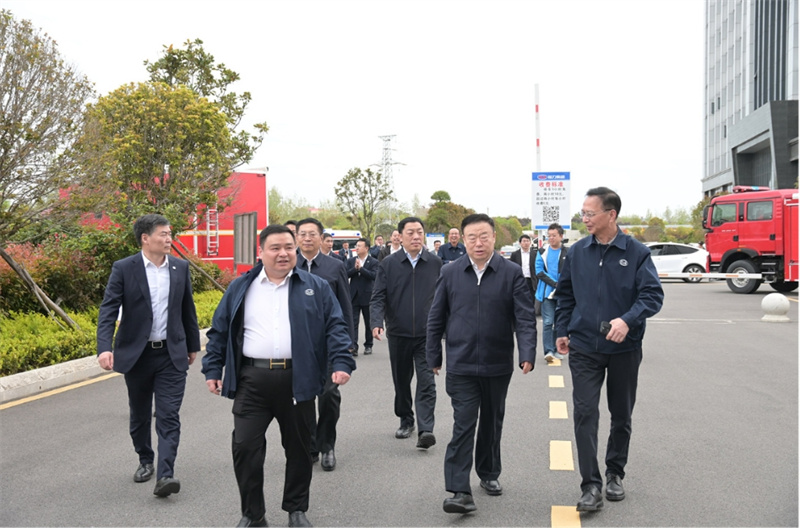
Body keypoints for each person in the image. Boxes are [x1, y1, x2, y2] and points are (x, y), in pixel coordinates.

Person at [202, 224, 356, 528]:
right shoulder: (242, 286)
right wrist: (213, 368)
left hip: (298, 381)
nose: (283, 253)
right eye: (275, 248)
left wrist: (341, 362)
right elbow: (219, 330)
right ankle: (253, 513)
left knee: (299, 449)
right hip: (252, 380)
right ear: (261, 252)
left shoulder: (315, 287)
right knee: (245, 447)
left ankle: (296, 509)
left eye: (288, 247)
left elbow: (335, 327)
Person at [554, 187, 664, 513]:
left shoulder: (637, 253)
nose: (584, 219)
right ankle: (590, 485)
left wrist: (628, 321)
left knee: (621, 414)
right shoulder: (577, 253)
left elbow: (652, 296)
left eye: (590, 213)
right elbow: (565, 295)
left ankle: (615, 472)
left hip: (624, 348)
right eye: (583, 213)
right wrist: (562, 330)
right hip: (584, 346)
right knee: (585, 413)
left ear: (611, 215)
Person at [427, 214, 537, 514]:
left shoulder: (511, 273)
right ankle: (459, 490)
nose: (478, 242)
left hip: (497, 364)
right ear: (463, 240)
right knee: (463, 424)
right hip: (461, 364)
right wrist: (434, 355)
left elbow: (524, 317)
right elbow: (436, 317)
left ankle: (488, 472)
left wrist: (527, 352)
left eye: (484, 236)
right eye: (472, 237)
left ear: (494, 238)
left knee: (491, 420)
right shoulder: (450, 272)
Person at [96, 214, 200, 498]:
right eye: (163, 234)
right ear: (145, 238)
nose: (169, 239)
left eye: (170, 234)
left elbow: (187, 309)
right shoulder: (124, 268)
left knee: (168, 415)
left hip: (171, 354)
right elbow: (108, 310)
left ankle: (166, 474)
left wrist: (192, 345)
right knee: (140, 415)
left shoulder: (180, 267)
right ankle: (145, 459)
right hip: (137, 355)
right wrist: (104, 347)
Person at [370, 217, 441, 448]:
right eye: (410, 232)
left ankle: (426, 429)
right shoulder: (388, 264)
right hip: (399, 333)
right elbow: (378, 296)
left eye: (419, 232)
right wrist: (376, 321)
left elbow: (445, 297)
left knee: (427, 381)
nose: (416, 236)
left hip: (426, 334)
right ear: (400, 236)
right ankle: (406, 419)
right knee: (401, 381)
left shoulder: (435, 263)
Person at [295, 218, 355, 473]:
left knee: (329, 395)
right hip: (298, 345)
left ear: (321, 238)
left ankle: (327, 444)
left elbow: (345, 305)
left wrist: (348, 342)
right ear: (296, 238)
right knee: (303, 398)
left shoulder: (334, 266)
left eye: (312, 234)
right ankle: (309, 446)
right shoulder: (288, 265)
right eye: (303, 234)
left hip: (329, 343)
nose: (307, 238)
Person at [535, 224, 568, 363]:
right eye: (549, 235)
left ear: (561, 236)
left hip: (563, 293)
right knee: (548, 322)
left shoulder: (568, 252)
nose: (551, 238)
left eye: (554, 235)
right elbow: (539, 271)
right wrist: (555, 284)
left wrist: (562, 285)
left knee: (558, 322)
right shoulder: (542, 251)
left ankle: (556, 349)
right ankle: (548, 351)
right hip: (547, 292)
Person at [346, 238, 378, 356]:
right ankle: (353, 346)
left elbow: (374, 275)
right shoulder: (351, 261)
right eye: (356, 246)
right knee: (353, 322)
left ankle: (368, 345)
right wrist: (355, 269)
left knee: (368, 322)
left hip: (367, 295)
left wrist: (361, 269)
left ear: (366, 248)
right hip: (354, 295)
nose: (357, 248)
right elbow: (345, 274)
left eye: (359, 246)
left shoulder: (373, 261)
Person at [509, 234, 537, 300]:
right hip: (519, 280)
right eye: (524, 241)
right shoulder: (515, 254)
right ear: (520, 243)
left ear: (530, 242)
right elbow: (511, 268)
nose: (526, 243)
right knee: (520, 299)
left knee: (531, 299)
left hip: (531, 281)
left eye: (527, 241)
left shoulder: (535, 254)